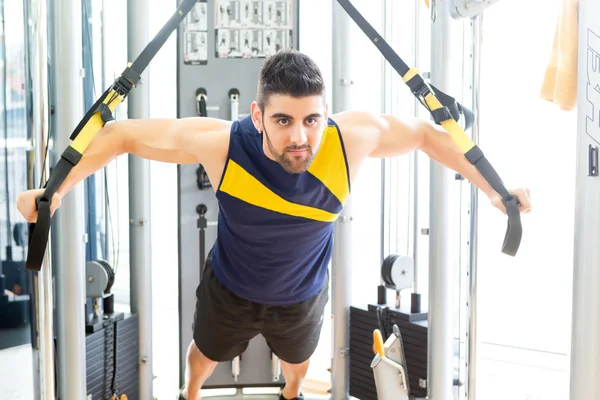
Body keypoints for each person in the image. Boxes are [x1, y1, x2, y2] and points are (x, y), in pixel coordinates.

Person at [16, 49, 531, 400]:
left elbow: (426, 133)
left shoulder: (349, 139)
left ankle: (291, 393)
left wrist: (493, 190)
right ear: (259, 116)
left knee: (299, 367)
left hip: (302, 296)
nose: (300, 137)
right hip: (230, 290)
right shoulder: (224, 144)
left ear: (325, 113)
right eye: (283, 121)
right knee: (203, 355)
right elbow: (121, 133)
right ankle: (191, 393)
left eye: (311, 120)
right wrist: (54, 189)